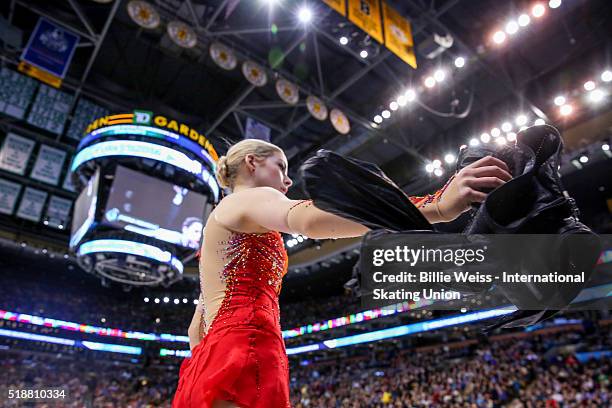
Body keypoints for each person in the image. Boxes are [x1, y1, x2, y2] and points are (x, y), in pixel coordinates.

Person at [172, 139, 512, 408]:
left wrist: (213, 363)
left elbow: (195, 330)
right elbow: (306, 219)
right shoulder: (247, 198)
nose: (288, 180)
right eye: (281, 167)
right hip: (248, 345)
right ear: (252, 163)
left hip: (217, 354)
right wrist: (435, 206)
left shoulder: (218, 225)